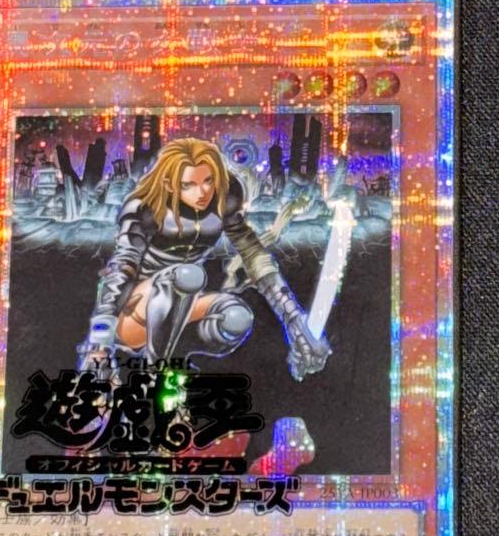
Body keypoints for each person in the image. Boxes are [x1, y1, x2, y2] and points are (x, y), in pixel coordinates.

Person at [78, 137, 329, 381]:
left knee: (237, 318)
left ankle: (177, 362)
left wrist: (291, 316)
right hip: (133, 312)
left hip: (182, 309)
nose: (203, 192)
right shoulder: (146, 207)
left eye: (208, 181)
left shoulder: (224, 198)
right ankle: (155, 373)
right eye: (189, 185)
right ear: (169, 184)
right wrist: (100, 343)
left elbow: (253, 253)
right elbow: (122, 267)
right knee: (188, 275)